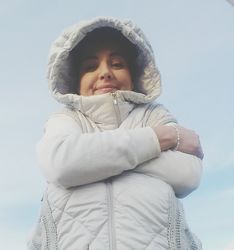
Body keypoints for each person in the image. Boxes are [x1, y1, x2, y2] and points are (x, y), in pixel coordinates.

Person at [28, 16, 203, 250]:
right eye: (91, 66)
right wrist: (160, 139)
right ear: (75, 81)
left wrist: (92, 158)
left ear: (134, 75)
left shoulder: (154, 115)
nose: (105, 73)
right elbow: (60, 162)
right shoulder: (66, 119)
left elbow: (187, 174)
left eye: (117, 63)